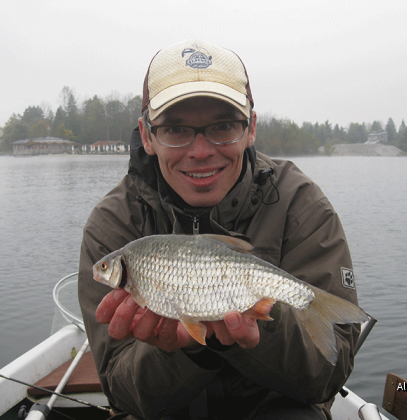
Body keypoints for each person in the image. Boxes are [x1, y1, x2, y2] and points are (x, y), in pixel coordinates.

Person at [78, 39, 361, 420]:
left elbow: (329, 375)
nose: (200, 151)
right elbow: (121, 392)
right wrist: (188, 350)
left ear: (250, 129)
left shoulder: (300, 205)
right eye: (176, 129)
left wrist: (260, 327)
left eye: (223, 126)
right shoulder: (114, 224)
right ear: (147, 135)